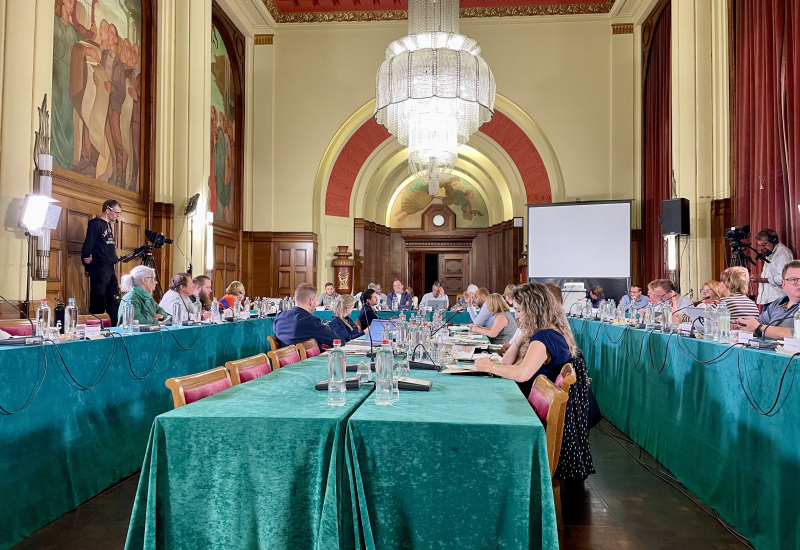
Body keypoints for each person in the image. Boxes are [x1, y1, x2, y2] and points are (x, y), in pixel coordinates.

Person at [475, 282, 577, 399]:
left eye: (519, 311)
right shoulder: (547, 330)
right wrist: (524, 333)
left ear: (533, 310)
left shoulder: (544, 337)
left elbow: (522, 374)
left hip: (528, 401)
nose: (516, 316)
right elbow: (506, 363)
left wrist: (489, 367)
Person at [734, 260, 800, 340]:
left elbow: (796, 333)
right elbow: (757, 325)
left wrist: (759, 327)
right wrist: (740, 325)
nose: (798, 283)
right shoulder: (777, 304)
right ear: (783, 284)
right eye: (793, 279)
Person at [81, 199, 121, 325]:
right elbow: (88, 244)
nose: (118, 216)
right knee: (99, 298)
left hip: (109, 266)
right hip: (99, 266)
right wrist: (87, 263)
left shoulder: (108, 225)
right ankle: (95, 326)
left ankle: (113, 324)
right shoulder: (96, 224)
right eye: (116, 212)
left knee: (113, 296)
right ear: (108, 210)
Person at [274, 283, 339, 347]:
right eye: (316, 300)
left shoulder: (279, 317)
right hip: (308, 357)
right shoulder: (311, 321)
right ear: (311, 301)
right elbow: (337, 341)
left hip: (285, 356)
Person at [752, 229, 794, 306]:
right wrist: (759, 278)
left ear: (773, 240)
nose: (762, 248)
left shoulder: (782, 253)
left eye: (764, 244)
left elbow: (784, 277)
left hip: (778, 299)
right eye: (760, 245)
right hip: (771, 299)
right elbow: (771, 273)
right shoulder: (771, 252)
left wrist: (762, 280)